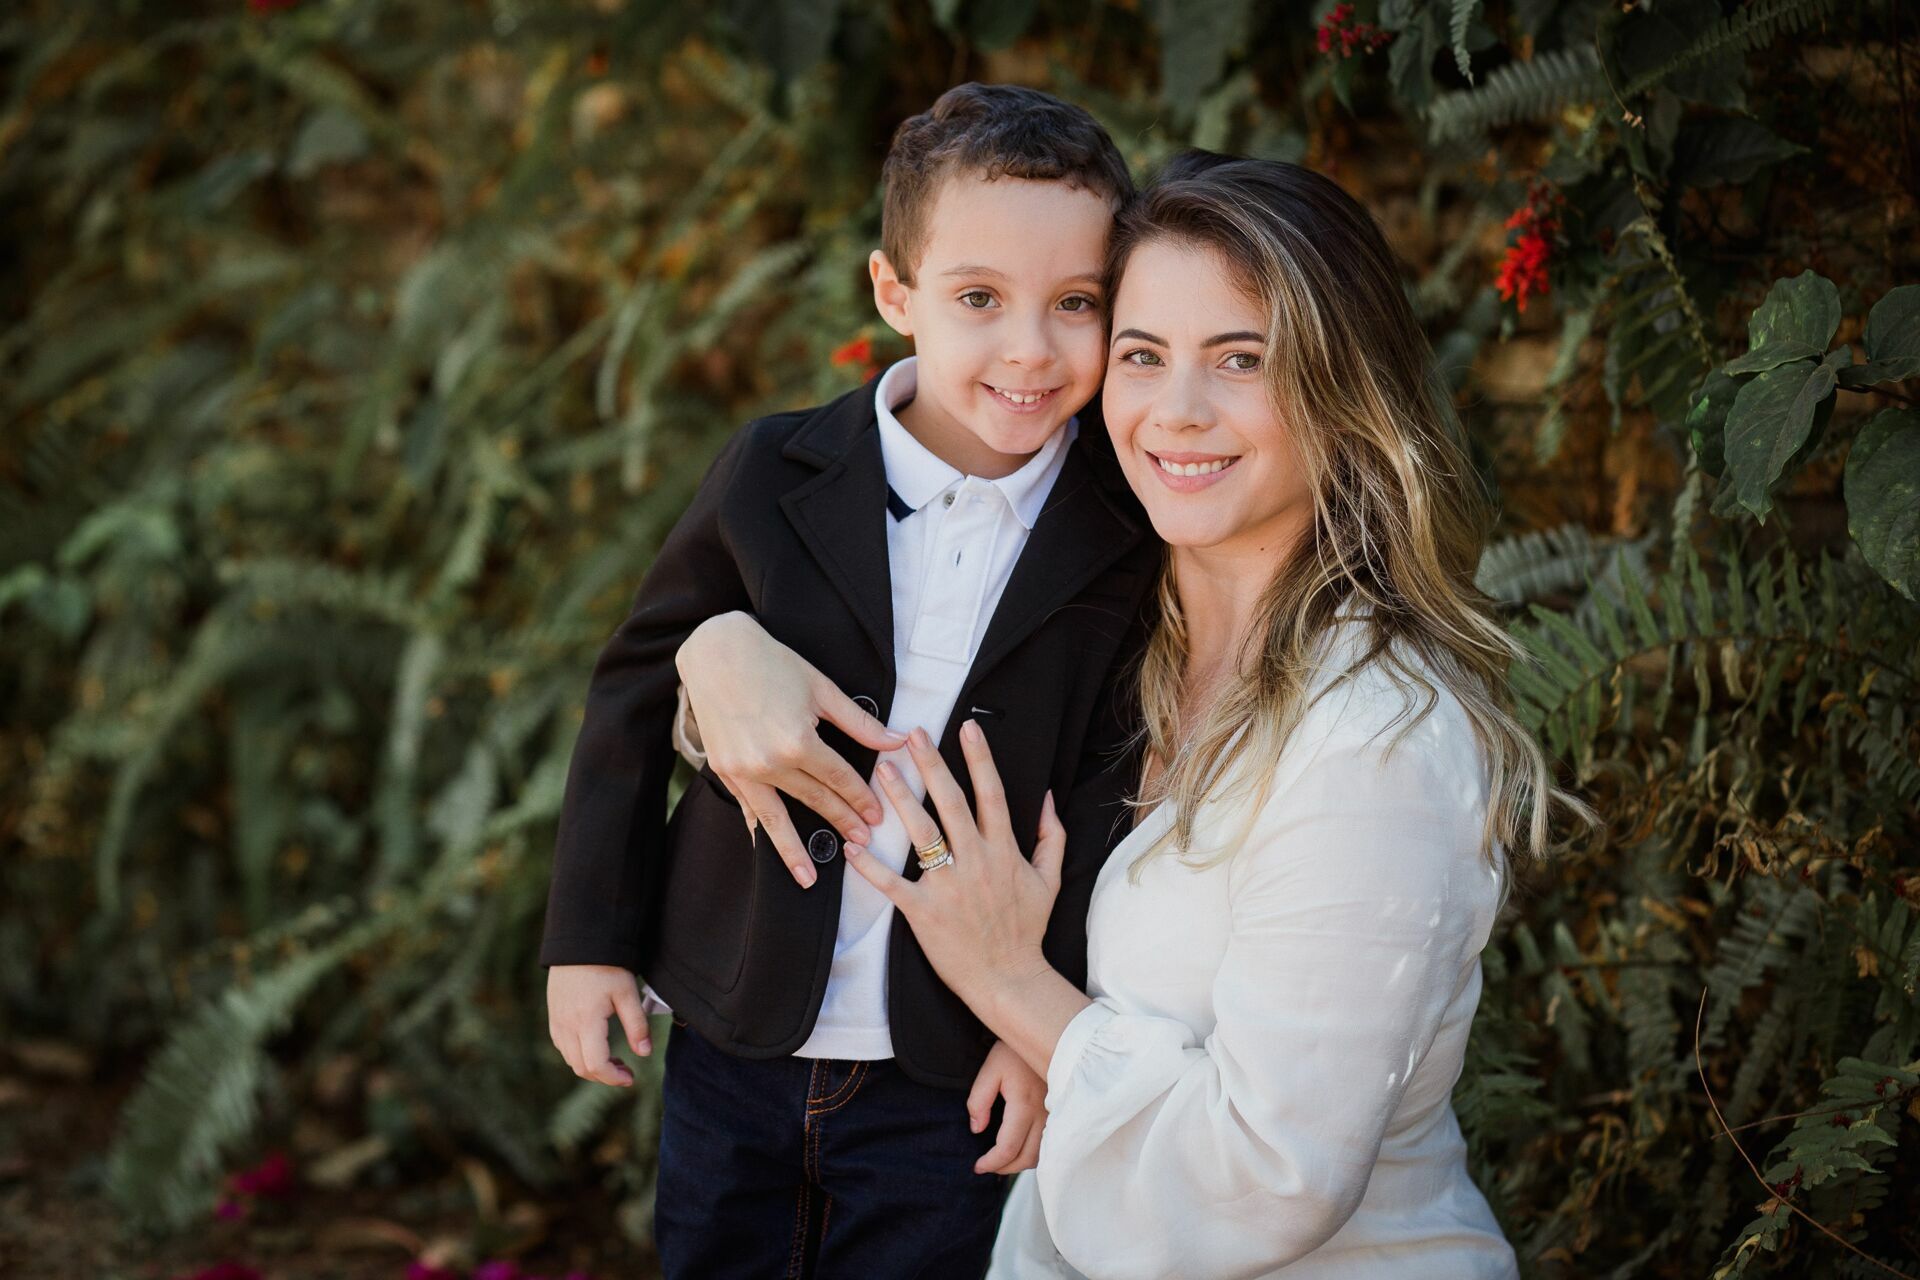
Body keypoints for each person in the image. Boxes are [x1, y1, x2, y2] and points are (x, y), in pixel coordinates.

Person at [678, 151, 1592, 1278]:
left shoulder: (1376, 741)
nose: (1178, 410)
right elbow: (860, 661)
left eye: (1241, 359)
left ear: (1344, 388)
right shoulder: (1122, 640)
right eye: (1144, 354)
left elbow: (1267, 1179)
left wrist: (1013, 984)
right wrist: (708, 652)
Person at [538, 83, 1160, 1279]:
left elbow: (1107, 787)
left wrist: (1042, 1030)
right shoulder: (778, 468)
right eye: (979, 298)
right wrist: (589, 938)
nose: (1029, 348)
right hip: (739, 1022)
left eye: (1074, 304)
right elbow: (633, 676)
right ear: (894, 292)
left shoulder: (1121, 528)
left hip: (951, 1064)